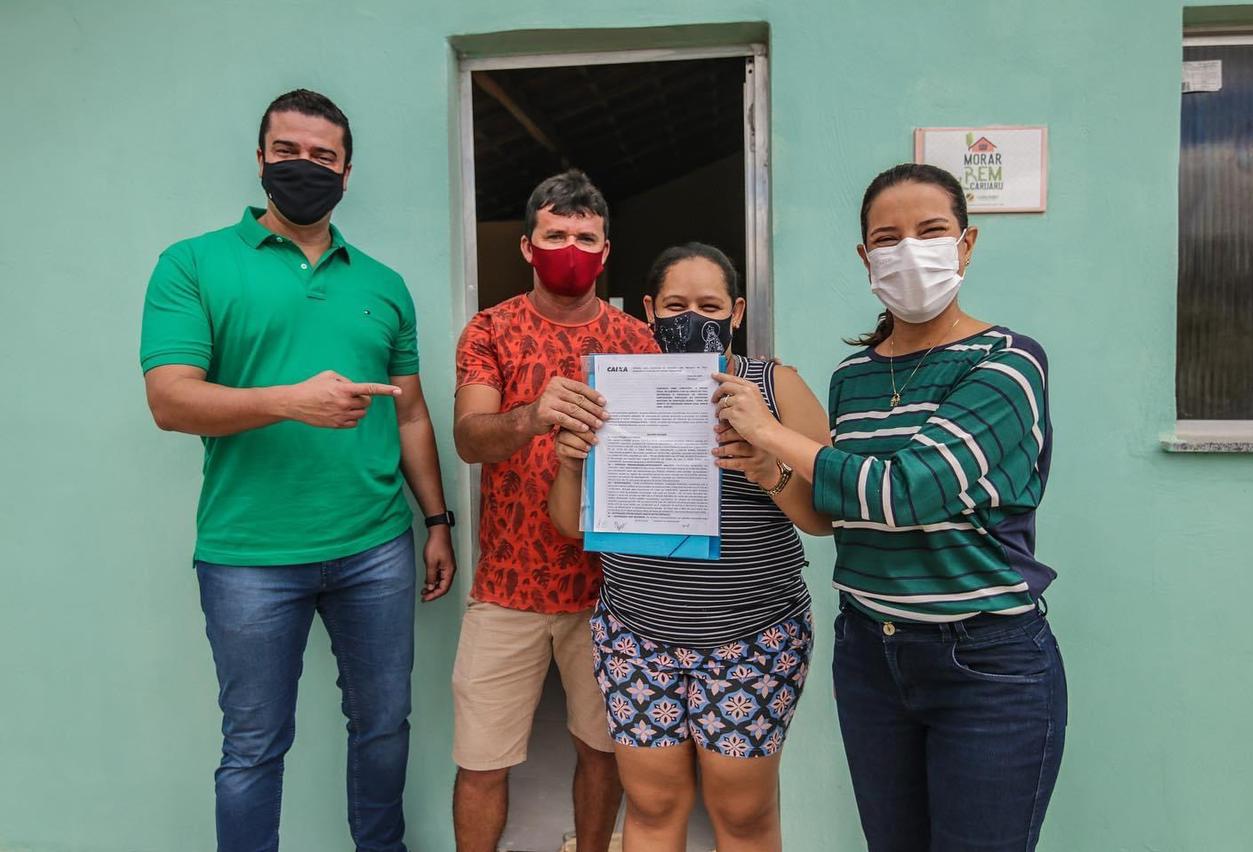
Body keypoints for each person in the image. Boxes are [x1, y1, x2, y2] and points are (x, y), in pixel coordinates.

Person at [714, 163, 1067, 851]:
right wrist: (767, 469)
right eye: (887, 237)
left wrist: (770, 432)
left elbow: (908, 491)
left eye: (930, 232)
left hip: (985, 666)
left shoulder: (1008, 362)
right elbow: (831, 515)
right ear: (865, 256)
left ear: (966, 244)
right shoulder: (854, 376)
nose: (909, 251)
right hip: (871, 655)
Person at [140, 89, 456, 852]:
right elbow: (170, 401)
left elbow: (411, 414)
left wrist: (437, 522)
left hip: (375, 546)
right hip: (248, 554)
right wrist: (289, 401)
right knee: (254, 744)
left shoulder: (383, 284)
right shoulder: (192, 264)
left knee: (384, 726)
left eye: (323, 156)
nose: (304, 167)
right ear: (260, 160)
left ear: (347, 172)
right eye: (288, 151)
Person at [548, 243, 832, 852]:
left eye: (710, 305)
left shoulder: (774, 386)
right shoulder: (614, 390)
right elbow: (571, 525)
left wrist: (768, 466)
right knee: (651, 806)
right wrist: (571, 464)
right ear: (649, 310)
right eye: (676, 306)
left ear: (737, 312)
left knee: (743, 813)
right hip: (637, 636)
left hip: (752, 638)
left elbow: (825, 516)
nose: (692, 319)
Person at [451, 170, 658, 852]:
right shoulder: (491, 329)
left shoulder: (637, 341)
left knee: (604, 752)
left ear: (605, 251)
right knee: (481, 760)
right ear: (527, 246)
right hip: (506, 586)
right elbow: (469, 438)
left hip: (609, 589)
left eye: (585, 237)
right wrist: (531, 416)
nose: (571, 248)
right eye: (556, 234)